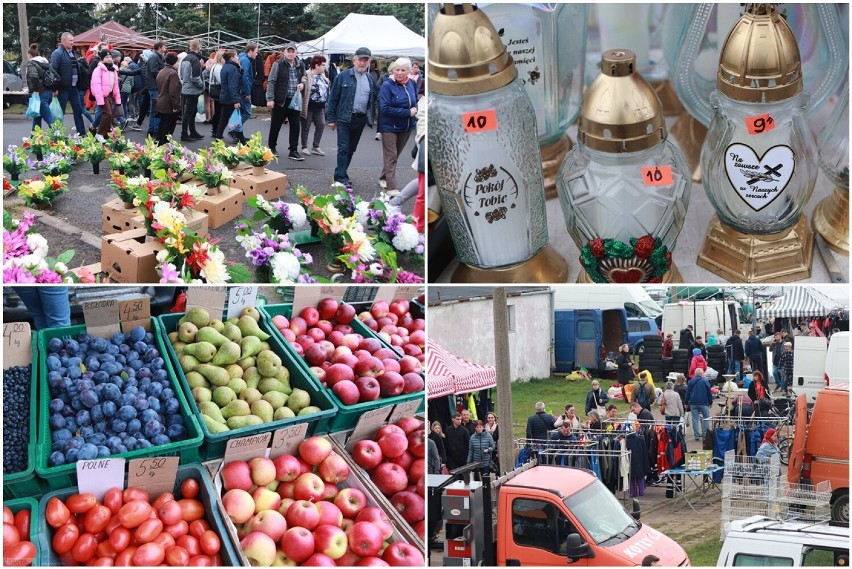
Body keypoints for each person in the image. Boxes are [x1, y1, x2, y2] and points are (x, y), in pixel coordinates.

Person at [326, 47, 378, 187]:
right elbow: (333, 98)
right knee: (343, 147)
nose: (362, 63)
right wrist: (331, 119)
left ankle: (339, 173)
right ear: (354, 60)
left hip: (360, 119)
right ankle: (342, 178)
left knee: (351, 149)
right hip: (344, 117)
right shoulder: (343, 76)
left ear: (369, 62)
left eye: (365, 60)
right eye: (360, 59)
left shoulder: (370, 80)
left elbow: (373, 100)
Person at [377, 57, 418, 196]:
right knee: (391, 155)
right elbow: (384, 108)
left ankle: (383, 177)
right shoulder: (387, 85)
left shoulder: (411, 83)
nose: (399, 72)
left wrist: (416, 109)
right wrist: (408, 112)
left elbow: (415, 100)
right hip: (388, 126)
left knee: (394, 155)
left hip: (406, 126)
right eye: (397, 69)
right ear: (392, 70)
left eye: (403, 70)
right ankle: (391, 187)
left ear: (408, 71)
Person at [389, 95, 426, 231]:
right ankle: (415, 229)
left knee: (425, 183)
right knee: (425, 188)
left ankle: (395, 202)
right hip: (432, 146)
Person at [266, 43, 306, 160]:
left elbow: (304, 79)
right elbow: (271, 81)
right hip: (281, 100)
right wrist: (270, 99)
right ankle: (271, 147)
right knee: (276, 125)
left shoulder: (300, 65)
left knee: (295, 126)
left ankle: (293, 150)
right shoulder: (278, 64)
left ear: (296, 53)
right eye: (288, 51)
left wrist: (302, 84)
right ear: (284, 52)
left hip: (295, 101)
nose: (290, 54)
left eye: (293, 51)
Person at [50, 32, 87, 134]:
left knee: (78, 111)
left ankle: (82, 134)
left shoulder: (72, 53)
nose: (72, 43)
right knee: (59, 113)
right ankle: (56, 135)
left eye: (73, 40)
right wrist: (55, 88)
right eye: (70, 40)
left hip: (74, 88)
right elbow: (53, 71)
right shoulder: (57, 53)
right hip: (62, 88)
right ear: (63, 41)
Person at [214, 50, 247, 144]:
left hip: (225, 96)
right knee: (237, 120)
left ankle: (218, 138)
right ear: (232, 57)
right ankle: (242, 141)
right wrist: (236, 100)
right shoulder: (232, 68)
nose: (238, 58)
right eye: (236, 56)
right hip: (231, 98)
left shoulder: (225, 67)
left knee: (223, 119)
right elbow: (233, 85)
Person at [300, 55, 329, 156]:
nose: (324, 67)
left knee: (321, 124)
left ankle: (316, 146)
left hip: (320, 105)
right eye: (323, 65)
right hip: (309, 105)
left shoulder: (323, 75)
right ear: (316, 65)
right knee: (306, 126)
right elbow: (303, 83)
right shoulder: (307, 74)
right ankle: (304, 147)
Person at [90, 50, 122, 137]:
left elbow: (116, 86)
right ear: (102, 59)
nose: (109, 59)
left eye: (110, 57)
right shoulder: (98, 70)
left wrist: (118, 99)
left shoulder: (113, 70)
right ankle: (100, 134)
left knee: (108, 115)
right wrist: (100, 100)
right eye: (106, 57)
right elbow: (96, 85)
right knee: (108, 114)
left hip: (110, 95)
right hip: (103, 95)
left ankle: (106, 133)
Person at [179, 39, 205, 142]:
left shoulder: (185, 58)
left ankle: (192, 131)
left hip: (186, 88)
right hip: (193, 90)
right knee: (189, 112)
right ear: (198, 47)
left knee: (191, 112)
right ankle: (184, 134)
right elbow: (195, 77)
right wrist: (202, 85)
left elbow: (181, 74)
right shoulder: (194, 59)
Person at [24, 43, 54, 130]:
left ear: (30, 55)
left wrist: (36, 89)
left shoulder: (31, 64)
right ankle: (34, 138)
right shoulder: (46, 64)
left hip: (40, 94)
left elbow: (33, 76)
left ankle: (58, 137)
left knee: (49, 120)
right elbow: (56, 76)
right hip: (48, 93)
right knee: (37, 117)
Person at [154, 52, 181, 145]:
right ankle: (164, 147)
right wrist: (175, 106)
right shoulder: (173, 73)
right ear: (174, 62)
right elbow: (173, 92)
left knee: (162, 125)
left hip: (161, 101)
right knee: (168, 128)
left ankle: (158, 144)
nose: (178, 64)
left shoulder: (161, 71)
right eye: (177, 62)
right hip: (169, 104)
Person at [143, 41, 166, 139]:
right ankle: (154, 130)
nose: (166, 48)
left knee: (155, 109)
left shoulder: (156, 57)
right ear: (160, 47)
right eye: (164, 46)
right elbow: (153, 71)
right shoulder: (154, 57)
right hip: (154, 86)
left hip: (155, 86)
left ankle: (152, 130)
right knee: (156, 109)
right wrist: (163, 73)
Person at [685, 368, 712, 441]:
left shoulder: (690, 381)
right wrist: (710, 402)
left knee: (695, 419)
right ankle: (705, 434)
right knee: (706, 417)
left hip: (693, 403)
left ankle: (697, 435)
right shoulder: (705, 381)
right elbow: (709, 393)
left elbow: (687, 393)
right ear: (702, 374)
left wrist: (686, 403)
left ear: (695, 374)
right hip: (704, 403)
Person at [238, 43, 258, 123]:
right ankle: (235, 130)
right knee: (247, 113)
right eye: (256, 52)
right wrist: (248, 93)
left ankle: (238, 132)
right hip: (244, 90)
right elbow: (245, 77)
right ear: (251, 51)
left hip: (241, 89)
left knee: (242, 112)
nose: (256, 54)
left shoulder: (242, 58)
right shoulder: (245, 60)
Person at [207, 51, 225, 137]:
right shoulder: (218, 67)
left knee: (217, 111)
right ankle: (216, 130)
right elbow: (221, 80)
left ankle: (215, 130)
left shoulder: (214, 66)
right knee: (218, 112)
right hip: (218, 91)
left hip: (214, 90)